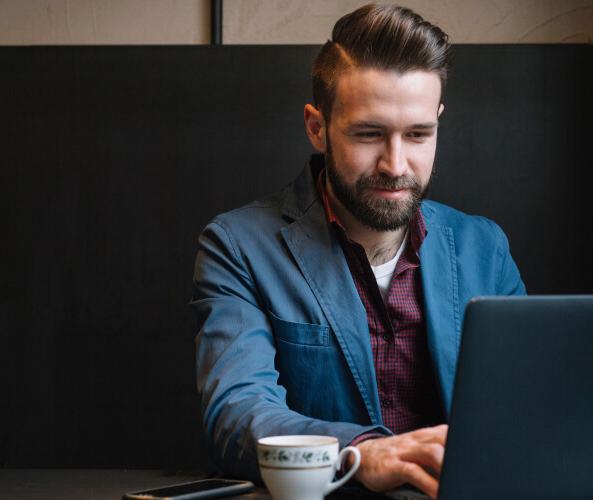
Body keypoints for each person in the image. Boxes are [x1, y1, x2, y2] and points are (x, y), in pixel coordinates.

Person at [190, 4, 525, 498]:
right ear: (317, 126)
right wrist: (362, 452)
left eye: (418, 135)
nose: (395, 164)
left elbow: (527, 411)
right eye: (369, 134)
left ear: (438, 123)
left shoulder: (485, 249)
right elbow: (237, 415)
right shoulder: (237, 247)